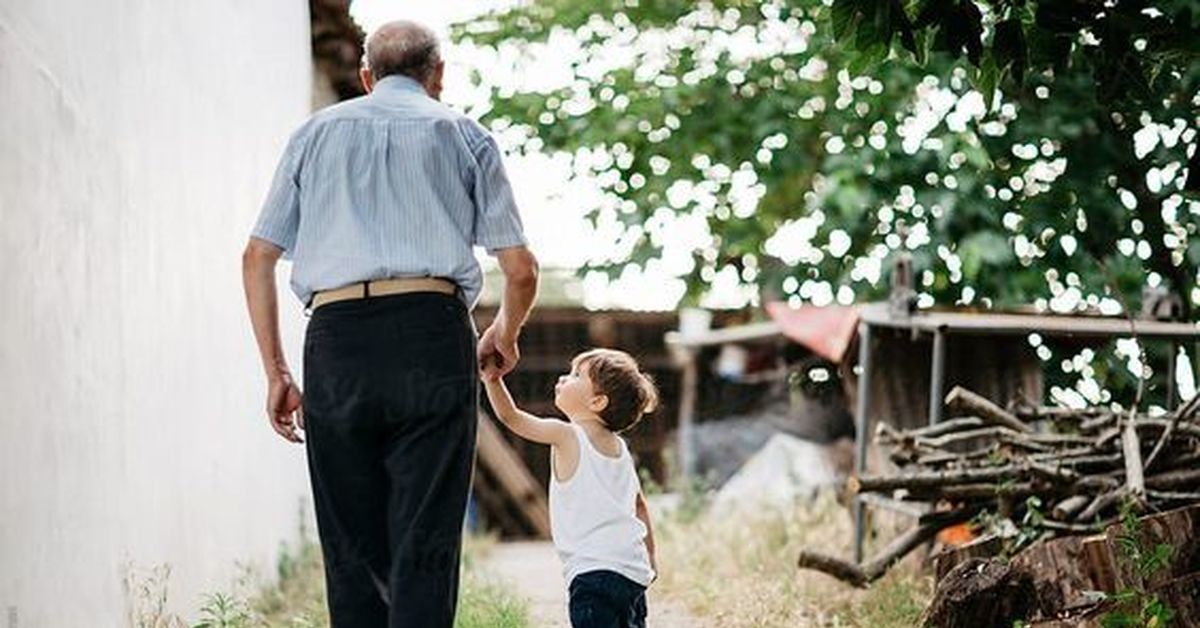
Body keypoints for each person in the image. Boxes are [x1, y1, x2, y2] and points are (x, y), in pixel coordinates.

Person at [241, 19, 538, 628]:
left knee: (350, 546)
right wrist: (503, 334)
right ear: (438, 76)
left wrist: (276, 370)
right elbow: (522, 269)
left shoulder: (312, 134)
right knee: (425, 538)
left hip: (336, 338)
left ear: (365, 75)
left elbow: (257, 257)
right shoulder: (466, 135)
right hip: (431, 333)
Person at [482, 348, 659, 628]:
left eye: (577, 375)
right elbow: (639, 506)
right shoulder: (621, 450)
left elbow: (511, 418)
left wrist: (492, 379)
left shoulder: (566, 434)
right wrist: (651, 557)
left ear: (597, 401)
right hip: (633, 573)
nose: (564, 378)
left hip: (592, 573)